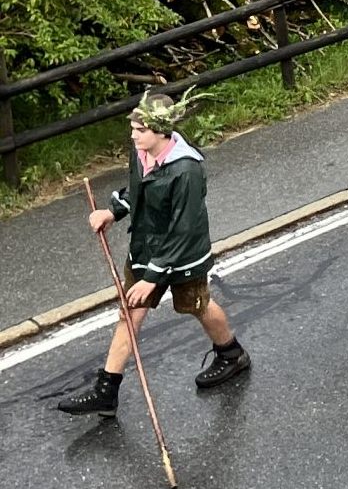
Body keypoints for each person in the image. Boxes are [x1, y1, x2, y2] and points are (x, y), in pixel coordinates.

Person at [59, 89, 248, 418]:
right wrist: (112, 212)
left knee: (198, 306)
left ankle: (231, 354)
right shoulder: (141, 152)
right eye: (132, 128)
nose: (132, 135)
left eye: (140, 129)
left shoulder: (185, 171)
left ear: (161, 131)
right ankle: (107, 390)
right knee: (129, 315)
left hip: (182, 257)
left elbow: (183, 228)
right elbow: (137, 191)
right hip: (145, 249)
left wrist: (154, 277)